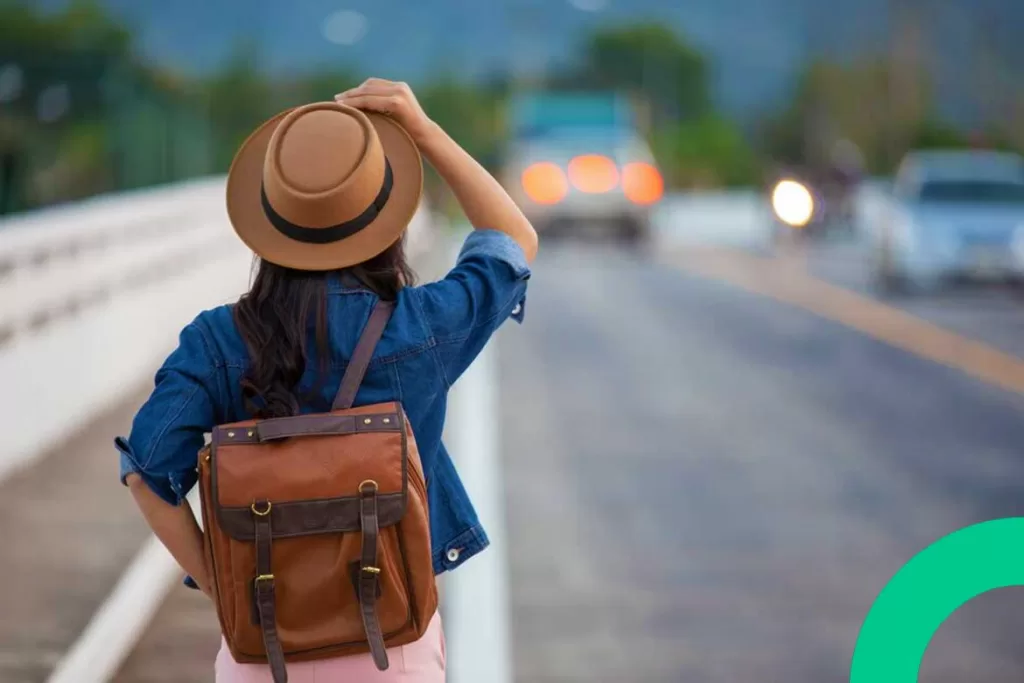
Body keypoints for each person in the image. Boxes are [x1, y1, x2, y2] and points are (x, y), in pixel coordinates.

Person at [116, 78, 538, 681]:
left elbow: (147, 472)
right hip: (393, 648)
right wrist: (423, 130)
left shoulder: (216, 341)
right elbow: (513, 240)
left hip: (260, 649)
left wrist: (222, 586)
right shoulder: (422, 327)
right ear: (387, 219)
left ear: (269, 221)